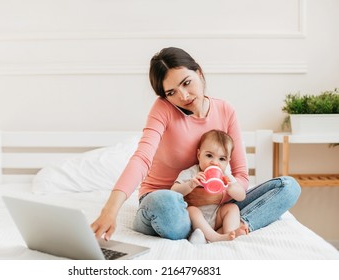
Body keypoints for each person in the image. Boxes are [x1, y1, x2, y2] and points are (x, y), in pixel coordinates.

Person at [91, 46, 301, 241]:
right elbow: (142, 158)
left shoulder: (225, 110)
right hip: (173, 204)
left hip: (218, 204)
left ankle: (230, 230)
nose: (183, 96)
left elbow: (241, 176)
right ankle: (195, 228)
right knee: (164, 202)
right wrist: (109, 210)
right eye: (171, 92)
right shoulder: (163, 109)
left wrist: (216, 196)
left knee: (288, 187)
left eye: (186, 82)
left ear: (199, 72)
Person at [171, 129, 248, 243]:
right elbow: (173, 192)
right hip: (193, 220)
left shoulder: (225, 176)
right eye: (209, 156)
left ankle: (228, 234)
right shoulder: (192, 173)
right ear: (199, 155)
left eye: (222, 159)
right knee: (192, 210)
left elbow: (241, 196)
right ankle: (215, 237)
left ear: (228, 162)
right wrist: (190, 184)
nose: (215, 162)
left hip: (215, 217)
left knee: (232, 208)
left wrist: (230, 187)